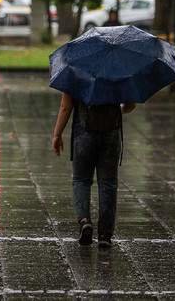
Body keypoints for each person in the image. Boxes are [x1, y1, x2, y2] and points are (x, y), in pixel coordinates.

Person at [51, 93, 135, 247]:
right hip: (112, 132)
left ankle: (84, 221)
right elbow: (130, 105)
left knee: (81, 180)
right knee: (108, 183)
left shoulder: (76, 69)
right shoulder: (120, 70)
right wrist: (118, 109)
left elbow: (65, 106)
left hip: (83, 132)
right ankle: (104, 234)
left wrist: (57, 134)